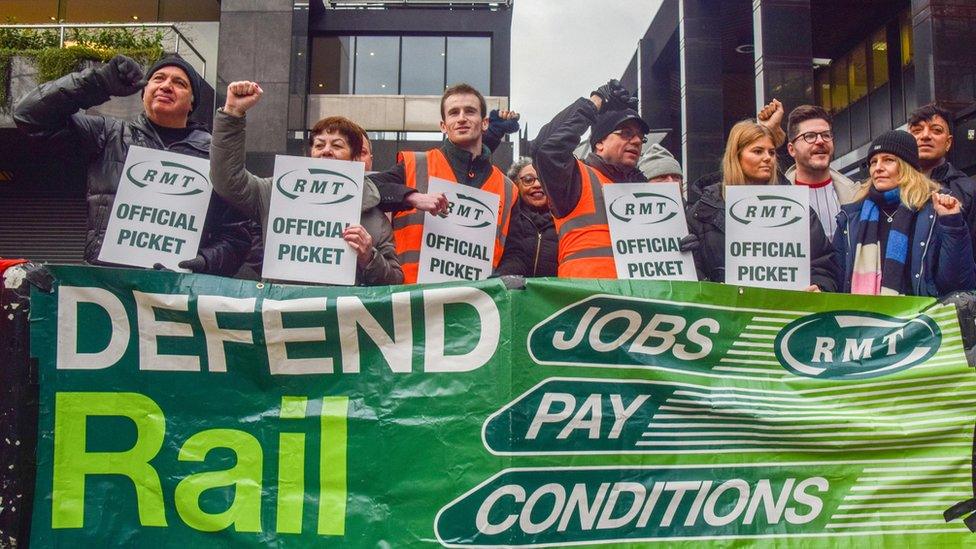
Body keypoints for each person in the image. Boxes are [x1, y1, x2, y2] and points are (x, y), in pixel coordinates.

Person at [13, 54, 251, 275]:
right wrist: (98, 82)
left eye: (180, 83)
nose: (166, 85)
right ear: (143, 92)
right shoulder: (107, 134)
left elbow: (236, 237)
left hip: (178, 294)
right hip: (108, 286)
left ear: (192, 103)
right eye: (158, 78)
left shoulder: (215, 156)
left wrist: (203, 263)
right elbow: (29, 116)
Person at [209, 81, 402, 285]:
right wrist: (232, 114)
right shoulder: (276, 192)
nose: (326, 150)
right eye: (319, 145)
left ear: (355, 158)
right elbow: (227, 180)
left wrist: (369, 257)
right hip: (281, 310)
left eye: (337, 145)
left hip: (336, 315)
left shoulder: (375, 219)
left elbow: (394, 281)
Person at [532, 79, 696, 278]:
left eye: (640, 137)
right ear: (599, 143)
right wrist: (596, 102)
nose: (636, 141)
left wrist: (680, 249)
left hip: (638, 302)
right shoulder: (575, 179)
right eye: (625, 133)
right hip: (584, 301)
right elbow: (546, 148)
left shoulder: (645, 191)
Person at [368, 83, 518, 283]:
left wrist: (496, 280)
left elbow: (516, 251)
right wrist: (412, 197)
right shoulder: (416, 165)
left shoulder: (508, 189)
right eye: (454, 113)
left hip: (475, 304)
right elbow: (366, 187)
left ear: (484, 123)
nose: (462, 118)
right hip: (413, 299)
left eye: (470, 112)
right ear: (443, 126)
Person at [686, 120, 839, 291]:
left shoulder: (798, 208)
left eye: (772, 152)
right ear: (736, 156)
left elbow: (824, 265)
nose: (768, 158)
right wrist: (712, 290)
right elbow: (688, 276)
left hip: (786, 312)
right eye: (758, 151)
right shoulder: (703, 213)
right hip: (724, 316)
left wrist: (820, 288)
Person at [833, 130, 975, 297]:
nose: (878, 168)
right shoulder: (851, 218)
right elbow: (837, 282)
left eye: (888, 160)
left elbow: (958, 284)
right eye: (873, 162)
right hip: (864, 320)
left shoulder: (935, 210)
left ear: (907, 166)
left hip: (921, 321)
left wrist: (952, 224)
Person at [783, 105, 860, 236]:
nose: (820, 141)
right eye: (810, 136)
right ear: (791, 149)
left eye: (826, 135)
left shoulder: (858, 196)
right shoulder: (779, 198)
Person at [908, 103, 976, 248]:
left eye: (936, 131)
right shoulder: (891, 188)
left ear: (948, 142)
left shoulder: (968, 190)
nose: (925, 136)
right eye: (917, 131)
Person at [494, 158, 557, 277]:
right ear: (516, 184)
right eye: (528, 180)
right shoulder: (506, 219)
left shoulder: (564, 221)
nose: (537, 185)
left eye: (543, 179)